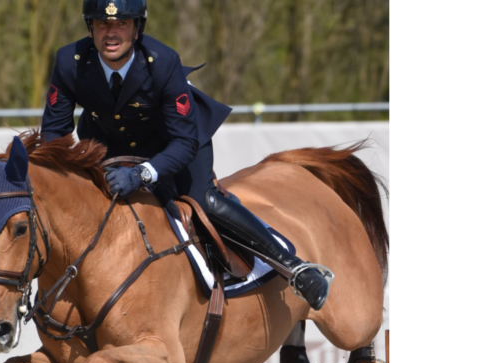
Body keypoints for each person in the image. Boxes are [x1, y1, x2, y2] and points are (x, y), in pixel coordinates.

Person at [39, 0, 330, 311]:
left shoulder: (163, 62)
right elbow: (54, 134)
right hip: (109, 142)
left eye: (121, 24)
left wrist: (141, 174)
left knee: (203, 201)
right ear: (90, 28)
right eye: (102, 23)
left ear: (136, 29)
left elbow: (184, 140)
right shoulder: (70, 61)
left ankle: (295, 268)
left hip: (176, 141)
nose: (111, 33)